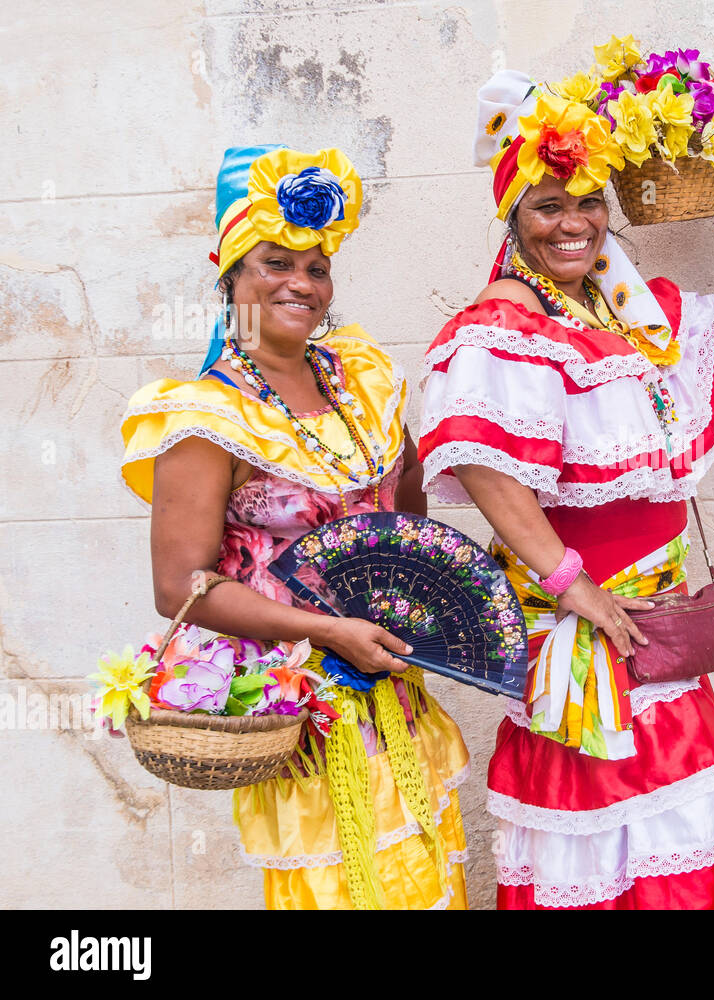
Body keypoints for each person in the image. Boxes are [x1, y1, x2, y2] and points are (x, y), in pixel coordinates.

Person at [419, 70, 714, 908]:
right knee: (612, 835)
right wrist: (567, 581)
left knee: (672, 832)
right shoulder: (507, 321)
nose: (572, 223)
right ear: (513, 219)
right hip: (588, 640)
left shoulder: (617, 312)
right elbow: (481, 459)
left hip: (654, 629)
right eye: (547, 205)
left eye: (586, 202)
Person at [120, 145, 470, 909]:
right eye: (275, 263)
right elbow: (180, 586)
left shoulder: (362, 377)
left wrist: (410, 583)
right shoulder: (204, 421)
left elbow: (404, 495)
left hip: (395, 693)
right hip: (303, 712)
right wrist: (327, 630)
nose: (300, 284)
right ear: (232, 276)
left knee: (425, 878)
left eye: (316, 268)